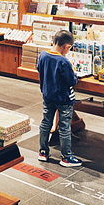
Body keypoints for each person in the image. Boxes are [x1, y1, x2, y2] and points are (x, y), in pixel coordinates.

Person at [37, 29, 82, 167]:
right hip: (63, 99)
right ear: (66, 46)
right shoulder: (63, 61)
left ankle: (43, 152)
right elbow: (72, 81)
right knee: (64, 127)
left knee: (45, 123)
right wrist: (74, 72)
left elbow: (39, 68)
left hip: (47, 96)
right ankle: (66, 157)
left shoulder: (43, 55)